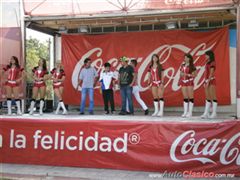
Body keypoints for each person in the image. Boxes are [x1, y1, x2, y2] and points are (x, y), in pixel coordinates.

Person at [201, 50, 218, 119]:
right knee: (207, 97)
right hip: (206, 80)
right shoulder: (207, 62)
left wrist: (208, 81)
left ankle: (214, 113)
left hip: (211, 80)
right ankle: (206, 113)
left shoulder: (212, 62)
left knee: (213, 96)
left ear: (209, 55)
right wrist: (205, 81)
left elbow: (211, 73)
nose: (205, 56)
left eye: (206, 55)